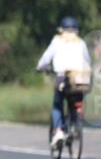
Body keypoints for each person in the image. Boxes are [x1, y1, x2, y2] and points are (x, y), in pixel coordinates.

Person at [36, 17, 92, 148]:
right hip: (80, 80)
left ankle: (59, 131)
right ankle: (76, 124)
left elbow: (45, 59)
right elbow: (88, 61)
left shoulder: (57, 41)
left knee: (57, 105)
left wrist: (40, 67)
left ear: (61, 30)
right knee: (75, 102)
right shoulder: (81, 43)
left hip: (63, 78)